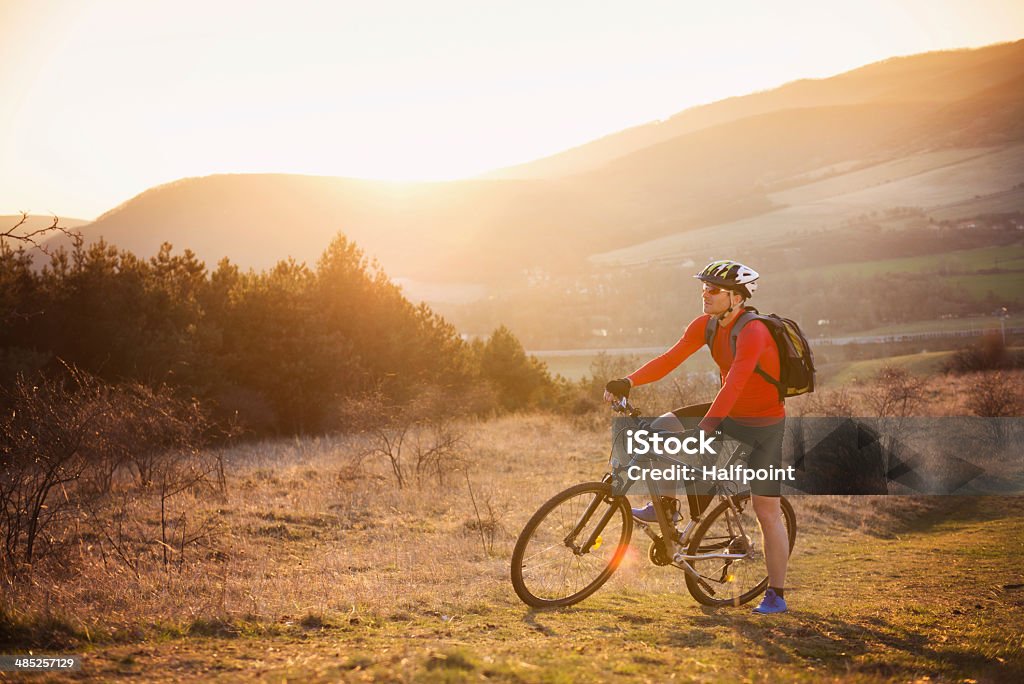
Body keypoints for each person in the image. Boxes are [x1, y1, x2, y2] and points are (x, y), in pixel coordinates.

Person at [603, 259, 790, 615]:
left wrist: (704, 429)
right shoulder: (705, 326)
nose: (705, 293)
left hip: (762, 425)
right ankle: (669, 510)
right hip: (727, 411)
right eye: (703, 287)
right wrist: (629, 381)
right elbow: (671, 358)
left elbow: (735, 382)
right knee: (660, 429)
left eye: (714, 289)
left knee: (767, 512)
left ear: (737, 297)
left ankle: (776, 594)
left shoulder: (754, 332)